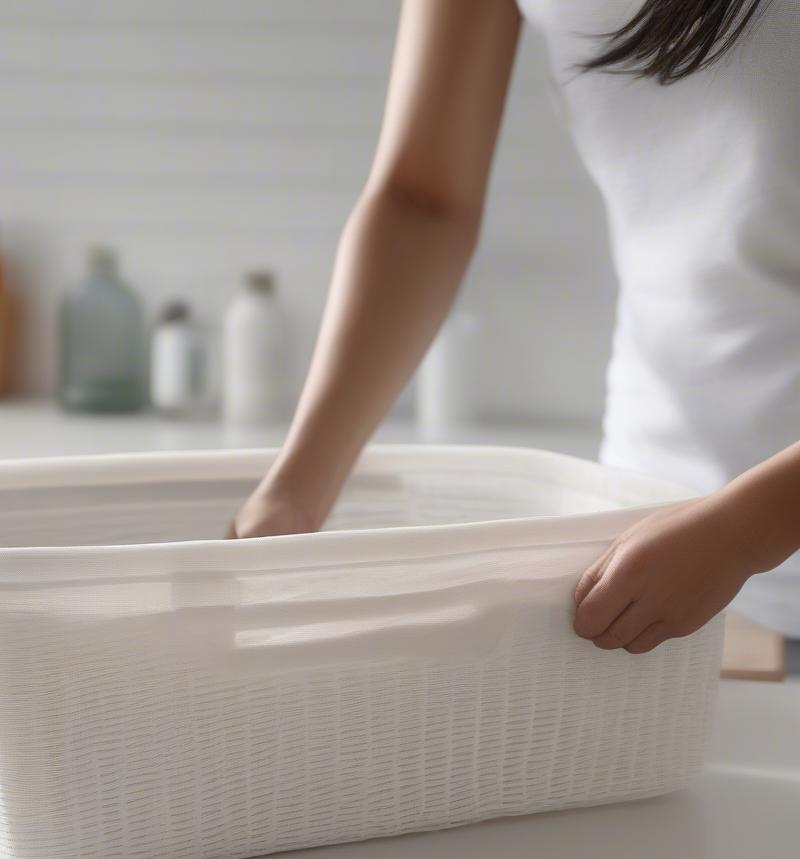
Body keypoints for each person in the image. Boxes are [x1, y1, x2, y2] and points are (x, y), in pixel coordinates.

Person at [228, 0, 800, 654]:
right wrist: (298, 489)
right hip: (653, 530)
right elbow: (424, 201)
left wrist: (750, 528)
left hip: (734, 534)